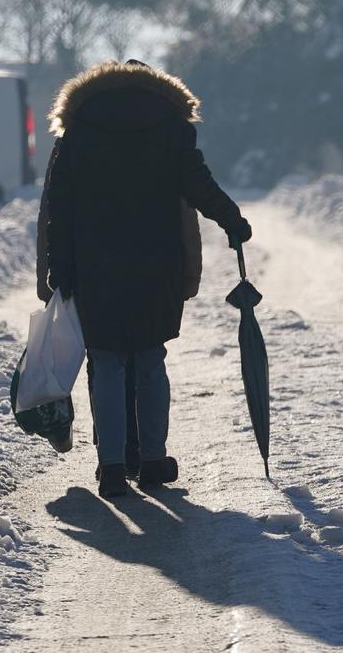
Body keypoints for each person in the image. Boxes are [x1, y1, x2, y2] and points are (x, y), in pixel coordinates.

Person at [37, 59, 251, 500]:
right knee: (151, 360)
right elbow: (199, 184)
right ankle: (153, 460)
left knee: (109, 363)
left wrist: (58, 268)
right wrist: (232, 221)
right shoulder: (170, 125)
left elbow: (60, 206)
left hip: (96, 266)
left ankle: (112, 467)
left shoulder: (79, 128)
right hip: (157, 263)